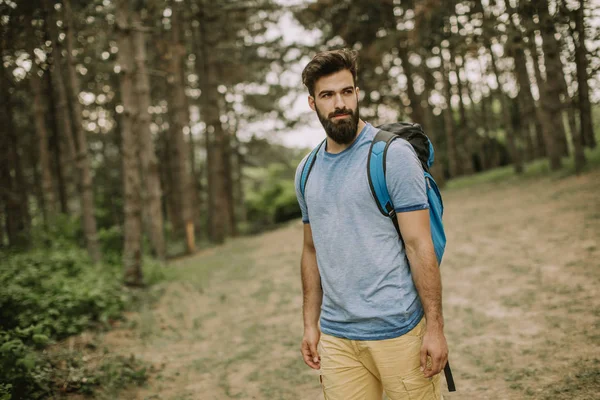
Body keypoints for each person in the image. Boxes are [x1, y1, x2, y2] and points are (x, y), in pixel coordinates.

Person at [294, 48, 449, 400]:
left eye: (347, 91)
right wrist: (310, 324)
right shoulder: (306, 171)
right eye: (328, 95)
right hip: (337, 339)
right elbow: (310, 249)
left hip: (398, 332)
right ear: (312, 103)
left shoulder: (392, 155)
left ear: (357, 93)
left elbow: (418, 244)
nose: (339, 104)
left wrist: (435, 329)